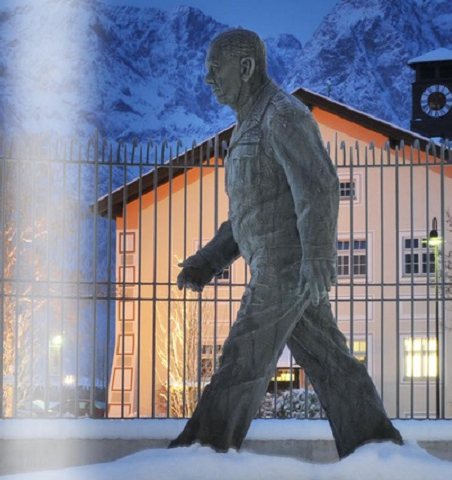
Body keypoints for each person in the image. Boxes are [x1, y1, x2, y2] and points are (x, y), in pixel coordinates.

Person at [168, 29, 403, 459]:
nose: (207, 79)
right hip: (277, 265)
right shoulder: (246, 127)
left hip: (285, 265)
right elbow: (248, 216)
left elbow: (318, 187)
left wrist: (317, 256)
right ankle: (378, 449)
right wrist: (207, 262)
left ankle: (200, 452)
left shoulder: (282, 115)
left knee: (243, 360)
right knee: (334, 366)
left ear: (245, 67)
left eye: (214, 69)